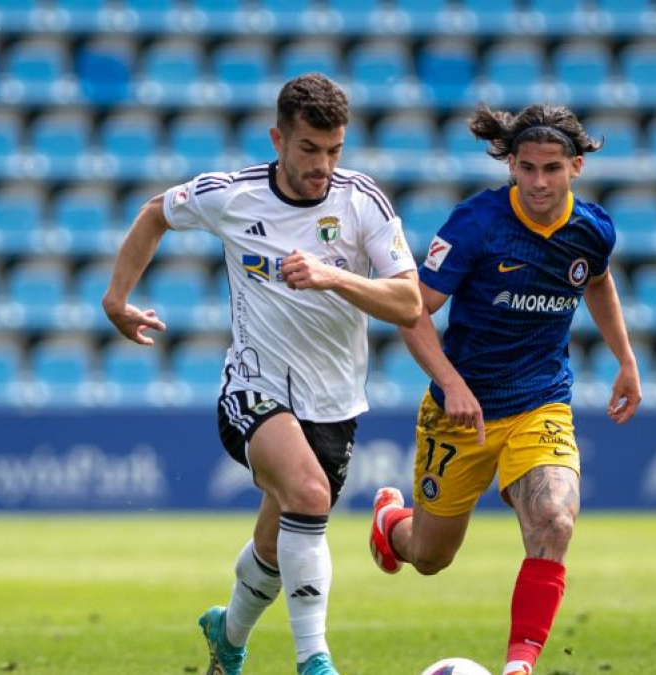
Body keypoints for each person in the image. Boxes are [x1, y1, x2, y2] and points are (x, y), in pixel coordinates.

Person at [102, 73, 422, 675]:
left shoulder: (363, 202)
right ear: (278, 139)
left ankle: (227, 636)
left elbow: (409, 304)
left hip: (335, 403)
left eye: (334, 150)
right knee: (309, 495)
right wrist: (116, 299)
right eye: (309, 149)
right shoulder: (232, 194)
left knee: (278, 545)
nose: (322, 165)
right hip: (254, 387)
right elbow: (154, 214)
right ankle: (314, 660)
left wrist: (331, 276)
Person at [367, 104, 642, 675]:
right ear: (511, 164)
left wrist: (625, 357)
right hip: (460, 413)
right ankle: (392, 526)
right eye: (528, 168)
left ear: (576, 167)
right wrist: (451, 383)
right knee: (431, 557)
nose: (539, 182)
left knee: (555, 518)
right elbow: (412, 311)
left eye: (552, 168)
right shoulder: (477, 224)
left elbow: (597, 281)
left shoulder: (592, 230)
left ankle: (520, 664)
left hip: (541, 401)